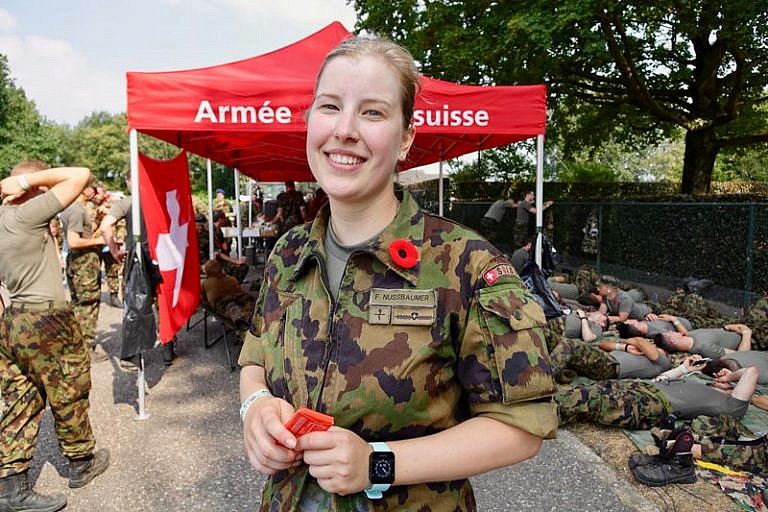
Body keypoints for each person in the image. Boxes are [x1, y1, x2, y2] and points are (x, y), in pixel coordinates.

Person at [238, 36, 557, 511]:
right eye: (329, 106)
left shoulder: (466, 265)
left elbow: (521, 426)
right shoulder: (289, 253)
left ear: (406, 137)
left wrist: (377, 463)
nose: (344, 129)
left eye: (372, 112)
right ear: (309, 121)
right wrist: (256, 407)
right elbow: (254, 360)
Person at [0, 162, 110, 511]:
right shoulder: (27, 211)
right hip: (47, 318)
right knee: (69, 391)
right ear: (33, 189)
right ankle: (81, 463)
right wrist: (25, 181)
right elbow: (81, 174)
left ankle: (10, 487)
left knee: (20, 400)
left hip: (13, 319)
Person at [556, 355, 760, 430]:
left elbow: (752, 372)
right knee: (583, 392)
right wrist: (684, 370)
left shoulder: (732, 406)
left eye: (732, 382)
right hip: (639, 388)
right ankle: (535, 409)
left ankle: (534, 419)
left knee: (584, 399)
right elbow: (658, 381)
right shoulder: (698, 385)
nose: (719, 378)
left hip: (650, 404)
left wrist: (729, 377)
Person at [99, 181, 175, 367]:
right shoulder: (159, 200)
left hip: (138, 258)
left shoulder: (126, 203)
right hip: (162, 256)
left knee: (135, 304)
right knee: (162, 302)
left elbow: (105, 226)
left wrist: (114, 250)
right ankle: (167, 346)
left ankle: (135, 351)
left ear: (128, 182)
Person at [60, 184, 107, 361]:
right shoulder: (77, 210)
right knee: (88, 305)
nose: (94, 192)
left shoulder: (71, 208)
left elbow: (82, 233)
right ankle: (85, 348)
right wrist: (100, 239)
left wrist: (98, 223)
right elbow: (73, 242)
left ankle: (74, 344)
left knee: (78, 303)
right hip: (84, 262)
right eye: (91, 188)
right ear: (83, 189)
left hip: (79, 261)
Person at [201, 259, 254, 333]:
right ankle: (249, 314)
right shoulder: (231, 279)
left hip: (222, 303)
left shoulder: (206, 283)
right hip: (231, 299)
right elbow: (239, 290)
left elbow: (203, 299)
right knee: (242, 300)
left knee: (230, 306)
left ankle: (241, 319)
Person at [654, 323, 752, 359]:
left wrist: (730, 327)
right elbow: (742, 355)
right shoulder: (705, 348)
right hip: (751, 341)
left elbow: (720, 331)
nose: (671, 331)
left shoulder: (690, 334)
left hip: (738, 329)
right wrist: (747, 333)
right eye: (669, 333)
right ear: (673, 341)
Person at [618, 313, 692, 339]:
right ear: (636, 327)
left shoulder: (643, 323)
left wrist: (648, 315)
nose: (628, 320)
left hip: (673, 316)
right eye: (628, 322)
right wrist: (674, 320)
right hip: (687, 322)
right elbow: (685, 335)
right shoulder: (657, 332)